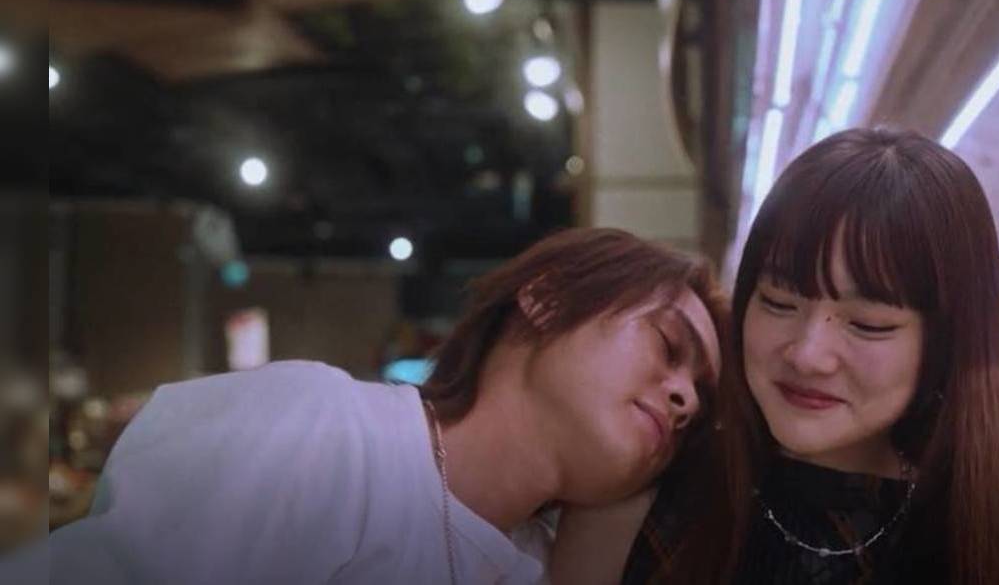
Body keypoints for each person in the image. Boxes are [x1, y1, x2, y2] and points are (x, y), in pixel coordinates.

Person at [39, 227, 724, 585]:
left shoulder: (540, 565)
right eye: (669, 346)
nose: (686, 396)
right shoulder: (326, 430)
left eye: (700, 395)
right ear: (545, 298)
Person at [550, 128, 999, 585]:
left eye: (868, 325)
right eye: (779, 302)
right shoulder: (634, 507)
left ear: (945, 345)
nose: (807, 355)